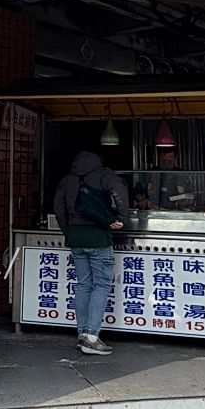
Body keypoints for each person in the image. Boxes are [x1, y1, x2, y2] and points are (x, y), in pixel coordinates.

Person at [52, 150, 130, 356]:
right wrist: (121, 217)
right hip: (97, 237)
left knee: (84, 284)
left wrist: (68, 230)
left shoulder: (67, 180)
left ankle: (82, 334)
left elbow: (58, 207)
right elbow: (119, 191)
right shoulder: (103, 174)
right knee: (101, 285)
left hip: (75, 238)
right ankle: (92, 338)